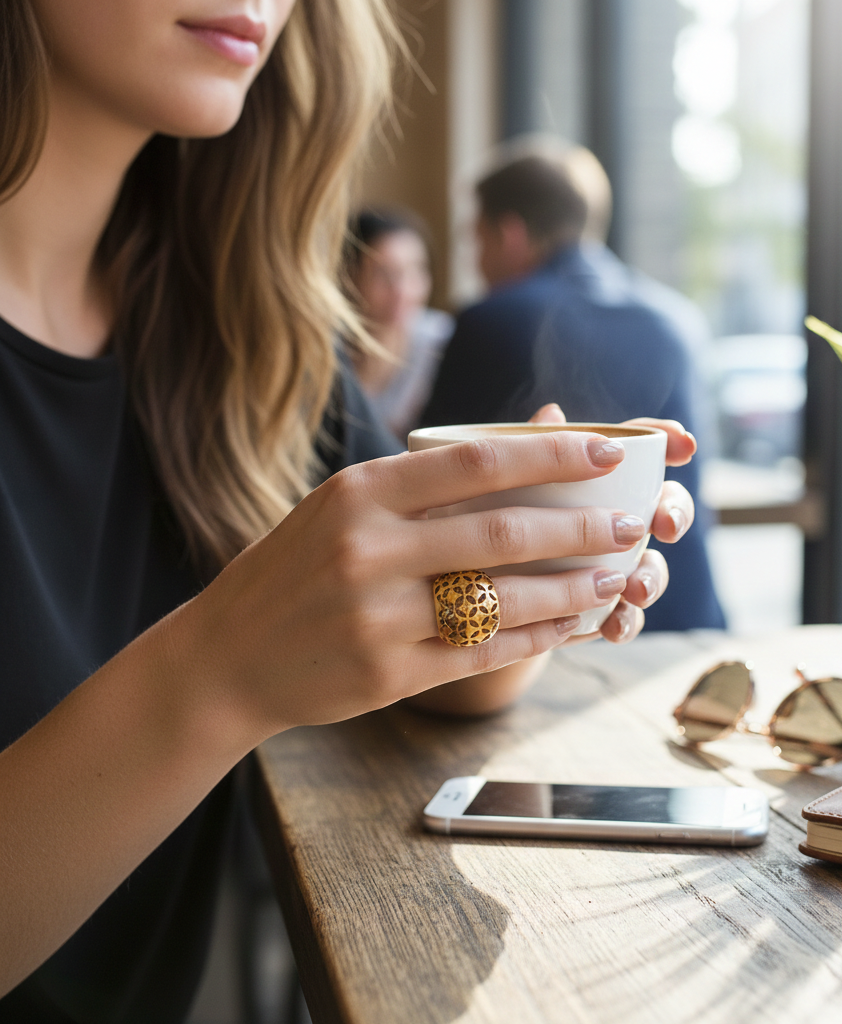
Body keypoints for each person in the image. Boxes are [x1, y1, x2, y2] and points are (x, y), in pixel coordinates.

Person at [0, 2, 701, 1019]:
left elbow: (427, 671)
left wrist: (533, 570)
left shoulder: (251, 332)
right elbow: (251, 659)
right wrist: (222, 669)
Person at [420, 140, 726, 632]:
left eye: (477, 241)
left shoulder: (490, 321)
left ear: (510, 234)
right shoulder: (677, 321)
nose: (477, 261)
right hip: (685, 616)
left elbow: (427, 488)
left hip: (543, 626)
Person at [345, 207, 454, 439]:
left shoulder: (443, 342)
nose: (402, 290)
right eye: (383, 274)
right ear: (349, 276)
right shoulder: (330, 348)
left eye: (416, 270)